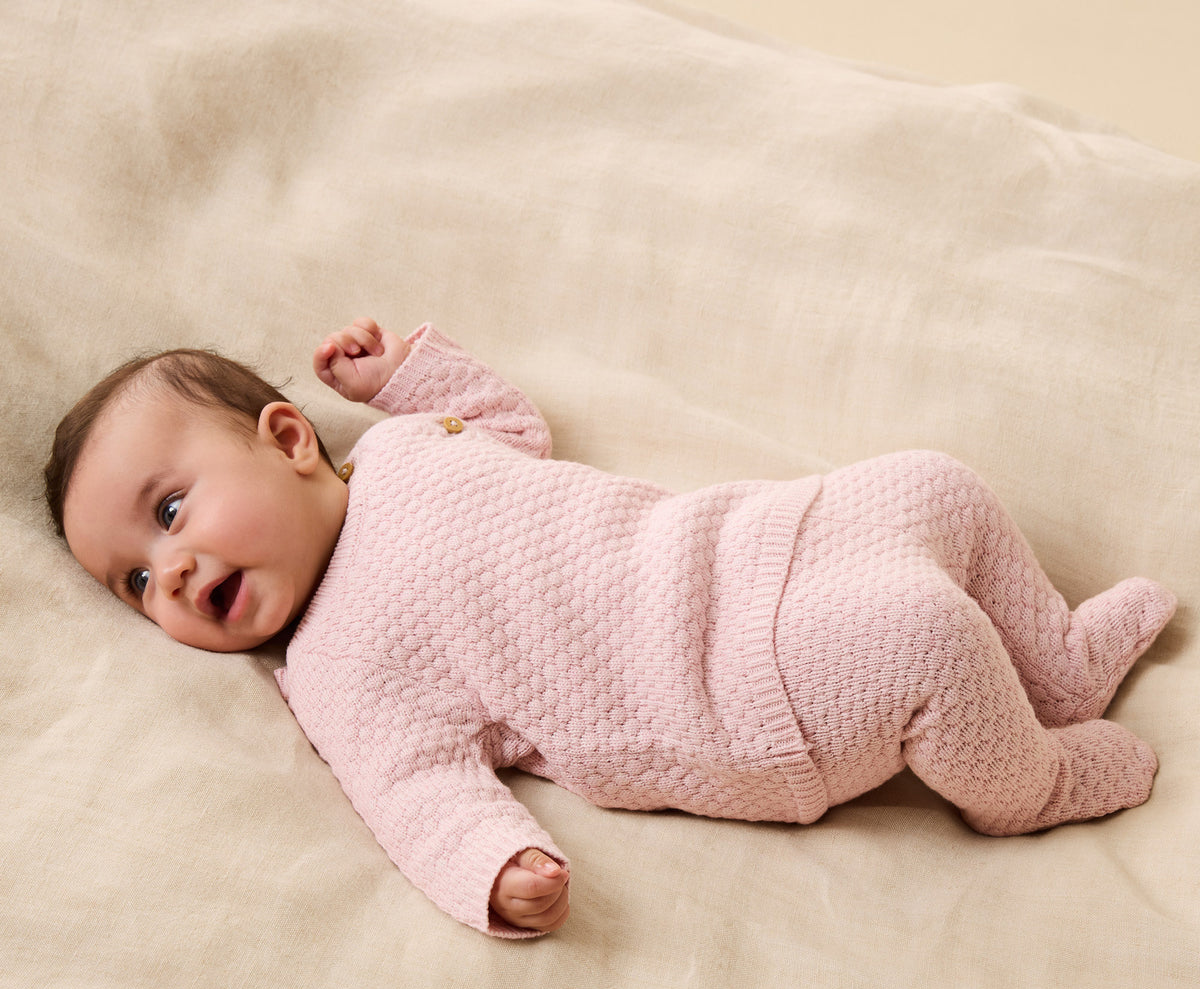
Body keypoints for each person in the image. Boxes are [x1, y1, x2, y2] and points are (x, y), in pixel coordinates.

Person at [44, 319, 1177, 937]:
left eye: (170, 512)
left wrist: (405, 378)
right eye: (135, 582)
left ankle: (1055, 666)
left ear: (292, 439)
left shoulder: (403, 450)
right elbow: (413, 791)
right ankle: (1025, 786)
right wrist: (491, 869)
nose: (170, 573)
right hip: (737, 702)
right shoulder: (335, 663)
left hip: (742, 547)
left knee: (935, 485)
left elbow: (509, 427)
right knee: (921, 636)